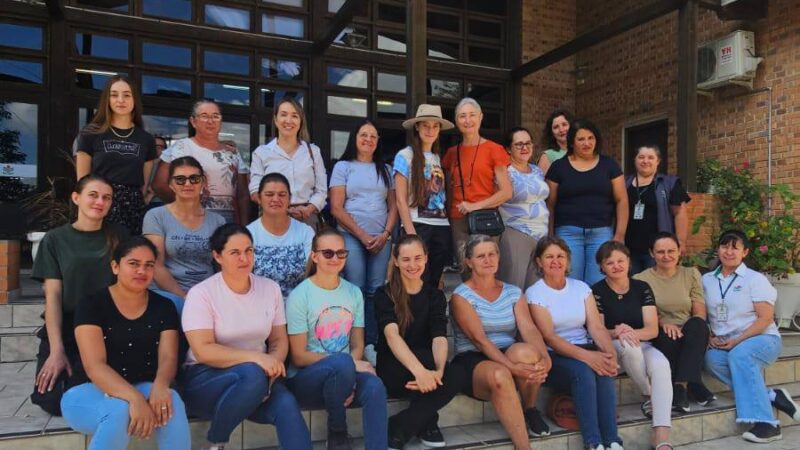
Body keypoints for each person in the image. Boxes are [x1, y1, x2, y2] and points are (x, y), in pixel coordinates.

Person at [182, 224, 312, 450]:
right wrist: (257, 359)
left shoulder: (269, 288)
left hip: (260, 379)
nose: (244, 258)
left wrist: (271, 369)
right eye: (235, 252)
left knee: (286, 404)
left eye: (249, 250)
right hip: (206, 379)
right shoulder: (202, 294)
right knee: (252, 374)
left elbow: (279, 340)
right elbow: (203, 350)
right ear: (217, 256)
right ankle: (216, 442)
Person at [60, 237, 189, 450]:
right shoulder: (92, 305)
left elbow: (168, 357)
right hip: (88, 391)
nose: (142, 271)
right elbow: (95, 366)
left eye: (149, 265)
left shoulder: (164, 307)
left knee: (170, 400)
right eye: (133, 263)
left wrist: (161, 385)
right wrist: (136, 400)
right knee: (119, 409)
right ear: (115, 266)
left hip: (142, 385)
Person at [30, 175, 127, 416]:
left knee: (89, 387)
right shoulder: (55, 240)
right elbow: (52, 296)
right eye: (93, 195)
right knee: (51, 399)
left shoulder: (119, 236)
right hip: (68, 325)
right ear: (76, 198)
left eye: (106, 197)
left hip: (107, 326)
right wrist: (56, 350)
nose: (100, 202)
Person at [286, 228, 388, 450]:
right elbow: (299, 356)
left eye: (341, 253)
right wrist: (348, 366)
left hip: (344, 371)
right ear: (314, 256)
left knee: (375, 387)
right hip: (307, 379)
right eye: (328, 253)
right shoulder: (299, 296)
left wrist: (347, 374)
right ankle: (338, 433)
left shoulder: (353, 292)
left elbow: (357, 343)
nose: (335, 258)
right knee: (341, 363)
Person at [450, 234, 551, 450]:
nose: (488, 260)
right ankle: (524, 447)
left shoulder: (513, 292)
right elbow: (480, 341)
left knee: (528, 353)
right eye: (480, 256)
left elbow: (529, 329)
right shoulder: (461, 296)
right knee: (500, 374)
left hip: (506, 351)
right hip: (473, 359)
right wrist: (513, 368)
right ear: (469, 262)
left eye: (492, 254)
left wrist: (545, 358)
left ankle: (530, 408)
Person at [702, 230, 800, 443]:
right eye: (724, 246)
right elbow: (701, 314)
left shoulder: (756, 280)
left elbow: (765, 319)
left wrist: (737, 341)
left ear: (745, 252)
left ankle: (768, 424)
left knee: (740, 355)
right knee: (711, 360)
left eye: (734, 248)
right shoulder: (707, 280)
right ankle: (772, 396)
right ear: (718, 249)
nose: (728, 252)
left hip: (763, 340)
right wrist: (709, 336)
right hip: (725, 343)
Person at [528, 236, 622, 450]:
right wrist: (589, 357)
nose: (555, 261)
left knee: (604, 369)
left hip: (585, 348)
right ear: (539, 262)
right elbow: (549, 337)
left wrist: (609, 354)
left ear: (568, 260)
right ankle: (593, 442)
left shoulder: (581, 288)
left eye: (560, 256)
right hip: (555, 355)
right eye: (549, 256)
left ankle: (613, 440)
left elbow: (596, 327)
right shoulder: (535, 292)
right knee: (585, 371)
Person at [376, 235, 467, 449]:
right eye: (406, 259)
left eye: (418, 258)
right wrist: (421, 372)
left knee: (457, 373)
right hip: (394, 368)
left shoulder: (434, 295)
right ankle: (428, 422)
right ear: (396, 261)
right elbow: (392, 336)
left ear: (426, 259)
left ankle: (401, 425)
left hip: (426, 366)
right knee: (426, 362)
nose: (412, 265)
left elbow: (439, 336)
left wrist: (438, 372)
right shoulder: (384, 294)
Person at [592, 241, 672, 450]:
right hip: (614, 346)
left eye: (621, 260)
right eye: (610, 263)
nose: (616, 266)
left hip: (642, 342)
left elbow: (652, 329)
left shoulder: (642, 287)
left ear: (628, 262)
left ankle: (661, 436)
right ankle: (648, 394)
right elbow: (597, 330)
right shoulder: (597, 291)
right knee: (629, 346)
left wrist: (628, 331)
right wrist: (617, 332)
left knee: (662, 365)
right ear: (602, 267)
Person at [330, 119, 397, 362]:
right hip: (351, 236)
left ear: (378, 141)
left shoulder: (386, 170)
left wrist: (386, 234)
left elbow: (393, 207)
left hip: (381, 238)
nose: (368, 139)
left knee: (376, 290)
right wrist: (363, 236)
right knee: (355, 288)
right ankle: (351, 340)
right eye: (363, 135)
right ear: (355, 138)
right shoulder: (343, 167)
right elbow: (336, 208)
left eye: (373, 136)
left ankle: (372, 342)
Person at [634, 232, 714, 413]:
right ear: (652, 253)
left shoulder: (691, 274)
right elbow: (642, 313)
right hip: (659, 328)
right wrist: (663, 324)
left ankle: (680, 384)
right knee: (669, 338)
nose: (666, 256)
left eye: (671, 251)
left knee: (699, 326)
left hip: (688, 328)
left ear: (679, 252)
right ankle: (694, 384)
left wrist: (686, 329)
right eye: (660, 252)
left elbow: (699, 310)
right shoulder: (641, 279)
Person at [545, 118, 628, 286]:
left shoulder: (609, 165)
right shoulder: (558, 167)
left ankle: (595, 313)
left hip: (601, 232)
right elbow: (550, 205)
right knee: (570, 281)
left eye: (591, 138)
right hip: (568, 233)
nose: (587, 143)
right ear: (572, 142)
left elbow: (622, 200)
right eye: (581, 139)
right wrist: (550, 234)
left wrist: (619, 234)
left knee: (598, 282)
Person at [75, 75, 156, 234]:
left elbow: (143, 184)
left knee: (128, 255)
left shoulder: (146, 139)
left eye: (127, 95)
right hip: (99, 204)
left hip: (132, 208)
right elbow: (82, 183)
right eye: (114, 95)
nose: (120, 100)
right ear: (107, 99)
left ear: (135, 99)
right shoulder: (90, 134)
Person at [143, 156, 226, 313]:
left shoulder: (218, 221)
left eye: (194, 179)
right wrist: (185, 298)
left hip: (207, 293)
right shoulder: (156, 216)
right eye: (180, 179)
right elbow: (156, 265)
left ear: (203, 182)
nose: (187, 184)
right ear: (171, 184)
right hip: (168, 295)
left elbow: (222, 266)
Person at [152, 100, 250, 224]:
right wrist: (184, 206)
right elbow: (159, 185)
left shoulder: (232, 152)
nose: (210, 121)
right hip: (191, 219)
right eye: (204, 116)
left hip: (228, 221)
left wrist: (244, 225)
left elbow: (242, 194)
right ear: (193, 121)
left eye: (215, 116)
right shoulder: (181, 147)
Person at [442, 97, 513, 268]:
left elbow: (506, 192)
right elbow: (447, 190)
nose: (467, 120)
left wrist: (475, 206)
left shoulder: (494, 150)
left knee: (486, 268)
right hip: (458, 219)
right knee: (465, 268)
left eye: (472, 115)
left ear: (481, 117)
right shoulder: (451, 153)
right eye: (462, 116)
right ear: (456, 120)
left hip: (485, 218)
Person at [395, 104, 454, 288]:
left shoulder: (439, 158)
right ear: (417, 127)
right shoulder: (405, 156)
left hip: (441, 226)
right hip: (418, 225)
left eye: (435, 126)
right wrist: (411, 233)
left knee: (434, 281)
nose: (431, 130)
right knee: (414, 282)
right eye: (426, 125)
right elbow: (400, 199)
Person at [249, 97, 327, 228]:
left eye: (295, 116)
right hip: (272, 218)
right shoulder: (261, 153)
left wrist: (308, 209)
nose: (289, 120)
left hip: (307, 219)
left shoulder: (313, 152)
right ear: (275, 120)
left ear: (301, 121)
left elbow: (322, 190)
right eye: (283, 115)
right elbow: (255, 191)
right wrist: (280, 208)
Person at [248, 172, 315, 299]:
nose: (275, 199)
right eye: (269, 194)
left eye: (282, 195)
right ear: (259, 198)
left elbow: (312, 277)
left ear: (289, 199)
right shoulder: (248, 234)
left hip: (298, 305)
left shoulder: (306, 232)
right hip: (260, 306)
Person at [624, 145, 691, 273]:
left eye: (650, 157)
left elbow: (680, 213)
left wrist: (681, 241)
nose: (645, 161)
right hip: (628, 247)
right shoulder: (624, 183)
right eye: (641, 157)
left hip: (658, 249)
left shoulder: (670, 183)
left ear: (658, 161)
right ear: (635, 160)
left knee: (656, 285)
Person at [497, 127, 549, 290]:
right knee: (514, 285)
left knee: (536, 288)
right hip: (516, 232)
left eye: (528, 143)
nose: (525, 148)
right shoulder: (504, 171)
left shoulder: (537, 170)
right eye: (519, 144)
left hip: (541, 234)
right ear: (508, 149)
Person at [537, 109, 573, 174]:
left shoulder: (581, 152)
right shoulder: (547, 156)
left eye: (564, 124)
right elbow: (540, 183)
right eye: (556, 127)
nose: (561, 130)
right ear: (551, 133)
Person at [145, 136, 168, 208]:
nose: (156, 148)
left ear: (165, 150)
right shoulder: (141, 163)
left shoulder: (168, 165)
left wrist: (150, 194)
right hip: (142, 202)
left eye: (160, 146)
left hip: (161, 202)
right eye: (153, 146)